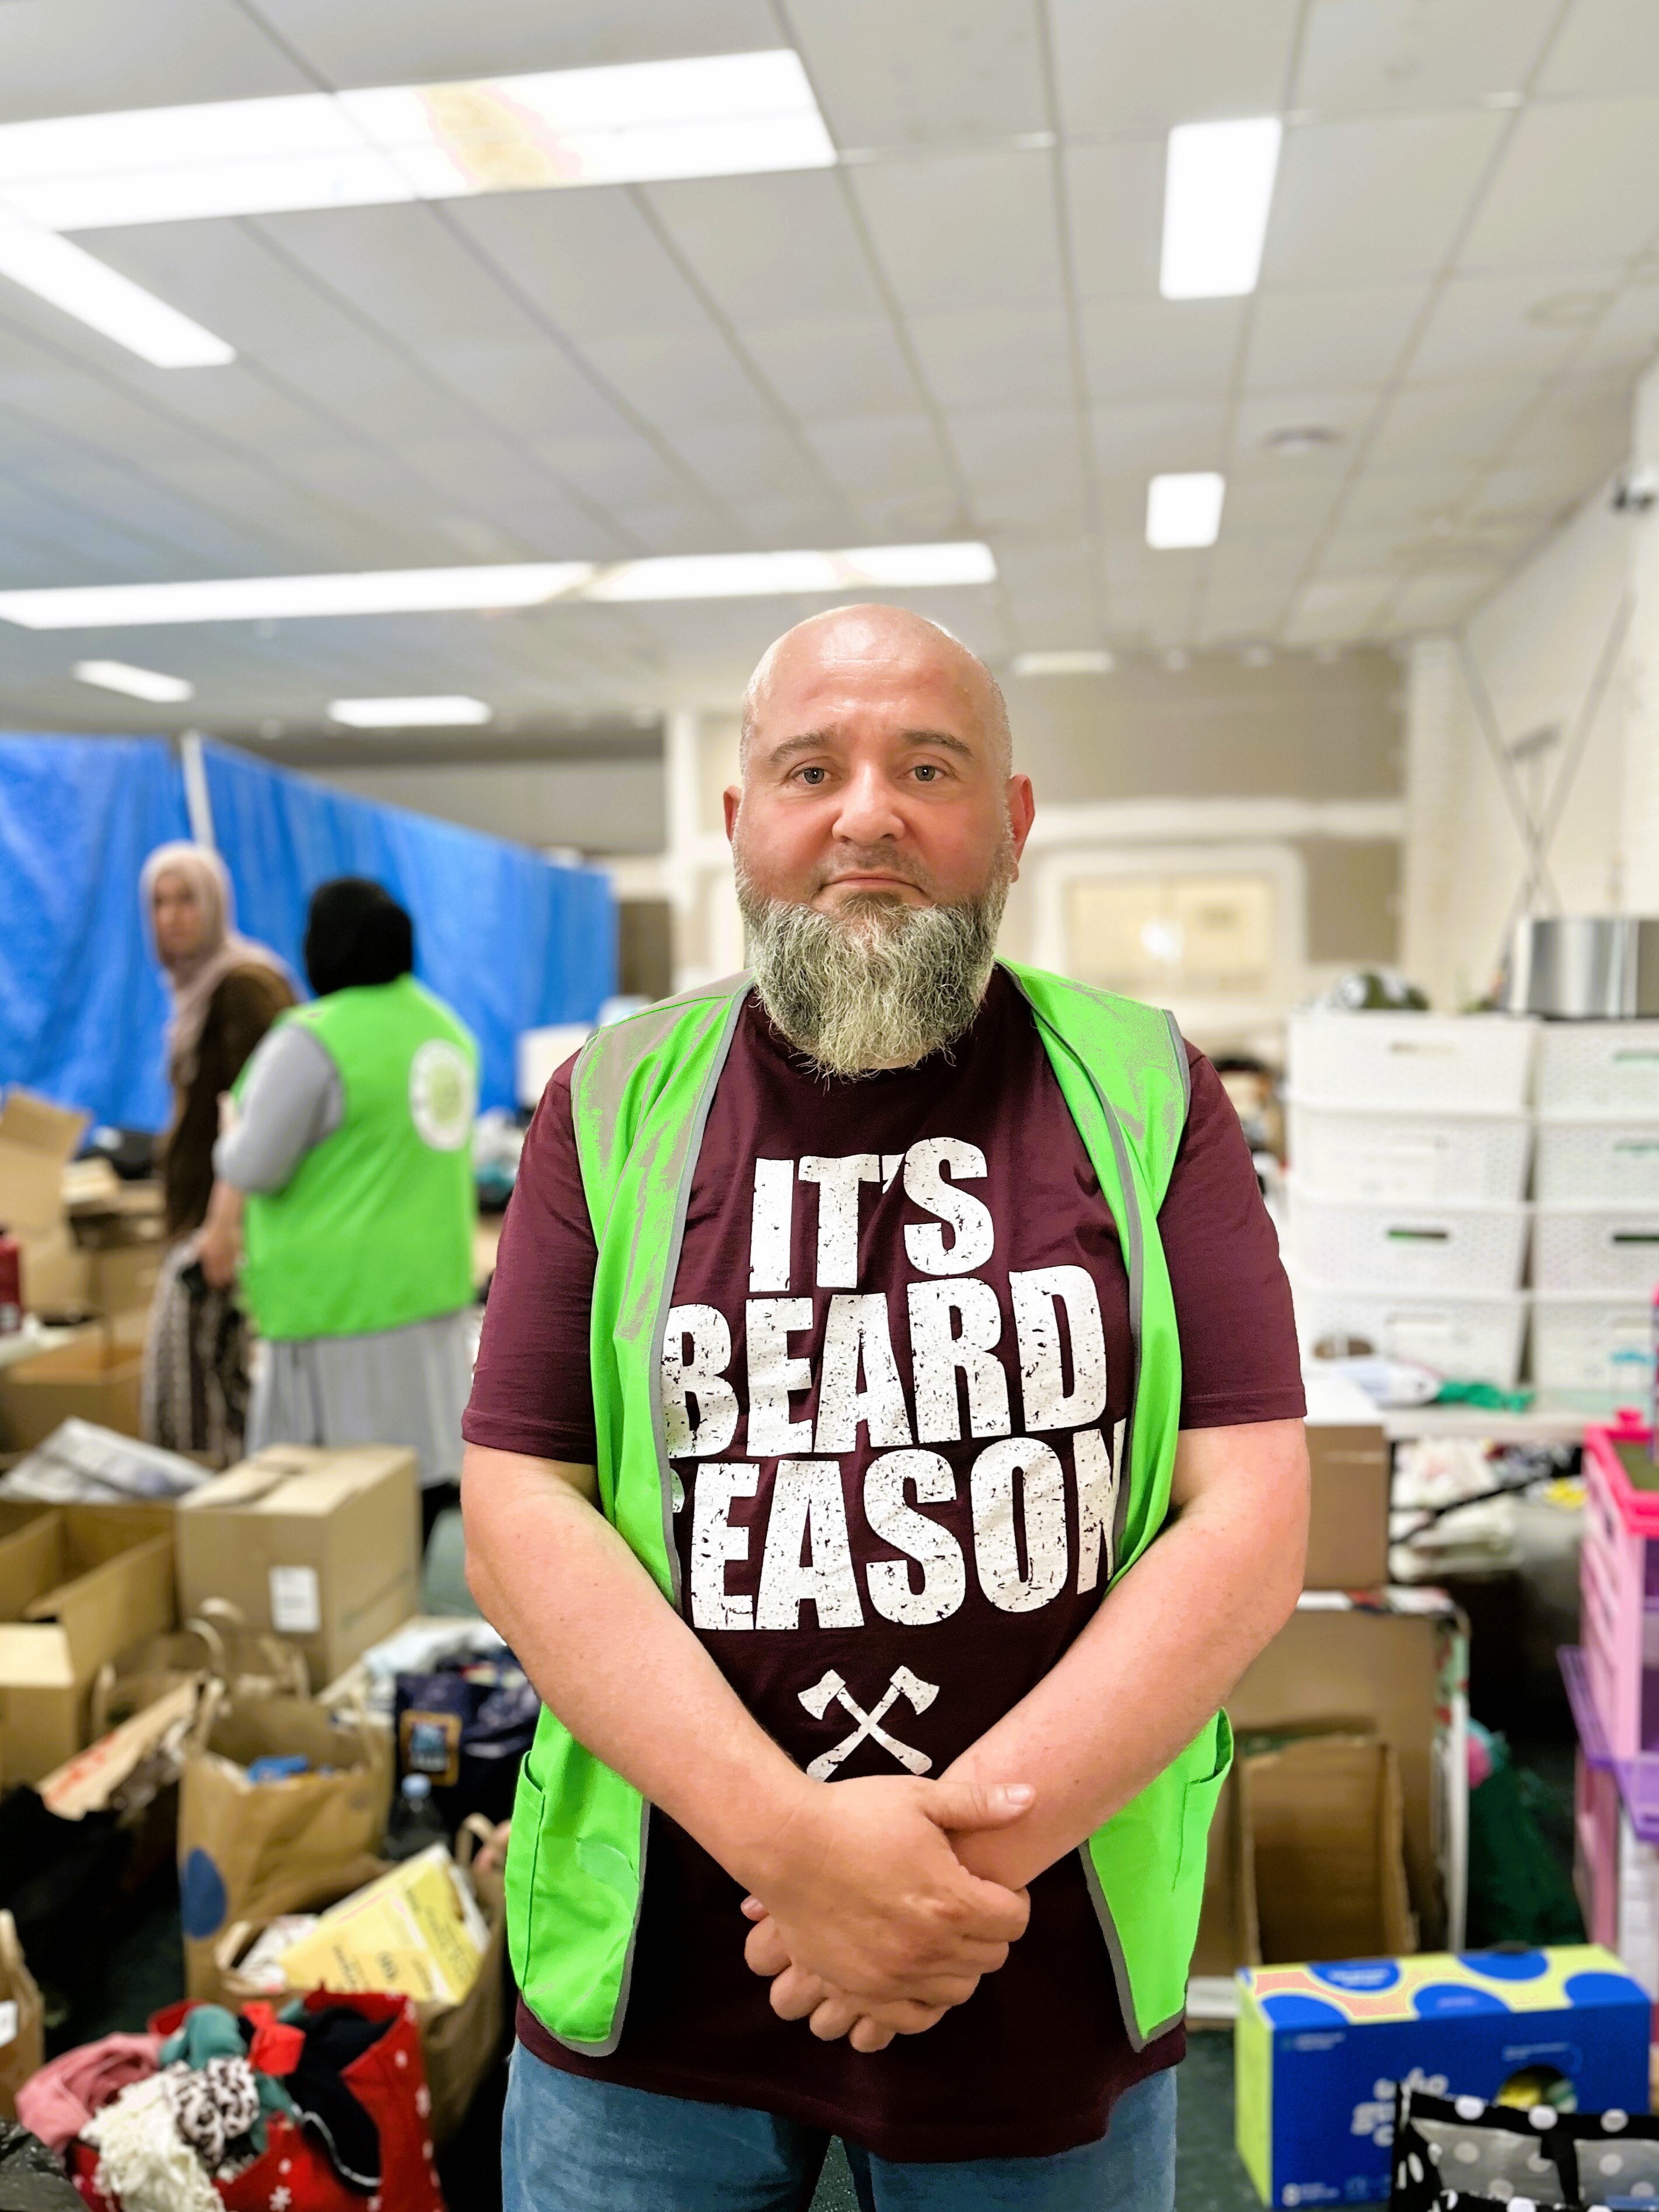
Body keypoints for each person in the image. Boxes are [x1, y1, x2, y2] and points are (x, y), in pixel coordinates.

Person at [462, 605, 1310, 2212]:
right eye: (810, 766)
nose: (867, 812)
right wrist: (790, 1845)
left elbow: (1250, 1516)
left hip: (1030, 1957)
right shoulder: (611, 1099)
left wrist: (934, 1881)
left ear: (1010, 818)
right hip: (655, 1976)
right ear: (739, 823)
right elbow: (517, 1509)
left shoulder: (1147, 1086)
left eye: (927, 765)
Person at [208, 878, 479, 1528]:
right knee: (421, 1478)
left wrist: (227, 1130)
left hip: (337, 1306)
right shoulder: (445, 1028)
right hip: (428, 1289)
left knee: (336, 1507)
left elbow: (254, 1163)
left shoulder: (313, 1038)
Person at [139, 842, 294, 1463]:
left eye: (186, 899)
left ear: (216, 904)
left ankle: (224, 1543)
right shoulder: (198, 991)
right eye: (159, 901)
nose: (172, 916)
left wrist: (223, 1226)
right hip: (205, 1219)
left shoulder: (244, 986)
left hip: (229, 1230)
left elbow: (260, 1118)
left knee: (205, 1414)